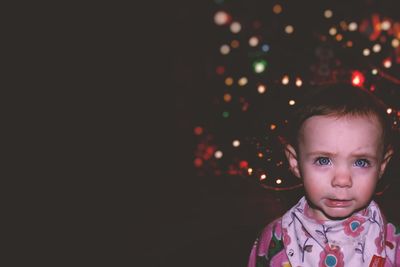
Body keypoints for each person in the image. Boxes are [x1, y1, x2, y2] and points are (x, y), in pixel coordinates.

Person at [247, 83, 400, 266]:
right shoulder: (272, 241)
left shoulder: (394, 245)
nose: (342, 180)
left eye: (361, 162)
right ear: (295, 162)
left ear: (382, 165)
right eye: (323, 160)